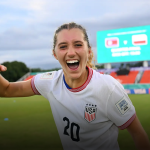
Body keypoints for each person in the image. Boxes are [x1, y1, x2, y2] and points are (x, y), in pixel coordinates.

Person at [0, 22, 150, 150]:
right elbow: (6, 90)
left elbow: (138, 134)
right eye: (63, 46)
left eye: (78, 45)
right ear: (54, 54)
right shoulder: (49, 81)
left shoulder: (108, 87)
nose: (71, 52)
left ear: (89, 50)